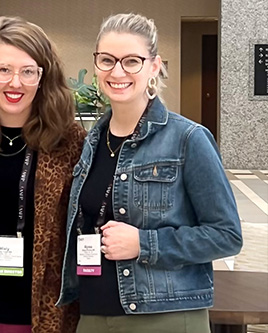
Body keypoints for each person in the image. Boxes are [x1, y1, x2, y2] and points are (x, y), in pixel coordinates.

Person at [57, 13, 242, 333]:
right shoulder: (91, 143)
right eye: (107, 60)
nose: (117, 72)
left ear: (153, 66)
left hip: (164, 317)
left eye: (132, 61)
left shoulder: (187, 139)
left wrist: (145, 243)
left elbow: (226, 235)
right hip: (92, 315)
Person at [0, 16, 84, 333]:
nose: (15, 83)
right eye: (4, 69)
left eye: (28, 71)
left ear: (42, 76)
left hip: (50, 311)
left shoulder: (69, 141)